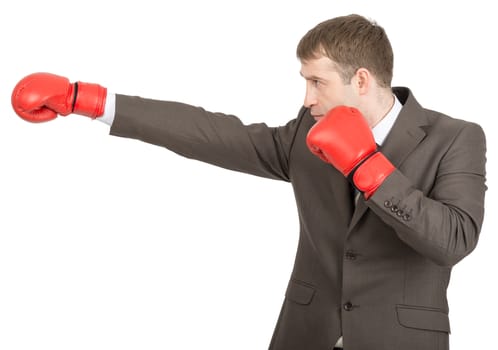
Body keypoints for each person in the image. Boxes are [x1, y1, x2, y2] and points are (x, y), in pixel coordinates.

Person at [11, 14, 486, 350]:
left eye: (317, 82)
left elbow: (453, 240)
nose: (307, 99)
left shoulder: (455, 138)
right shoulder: (307, 132)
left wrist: (369, 166)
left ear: (361, 79)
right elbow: (215, 134)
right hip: (305, 337)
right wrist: (92, 101)